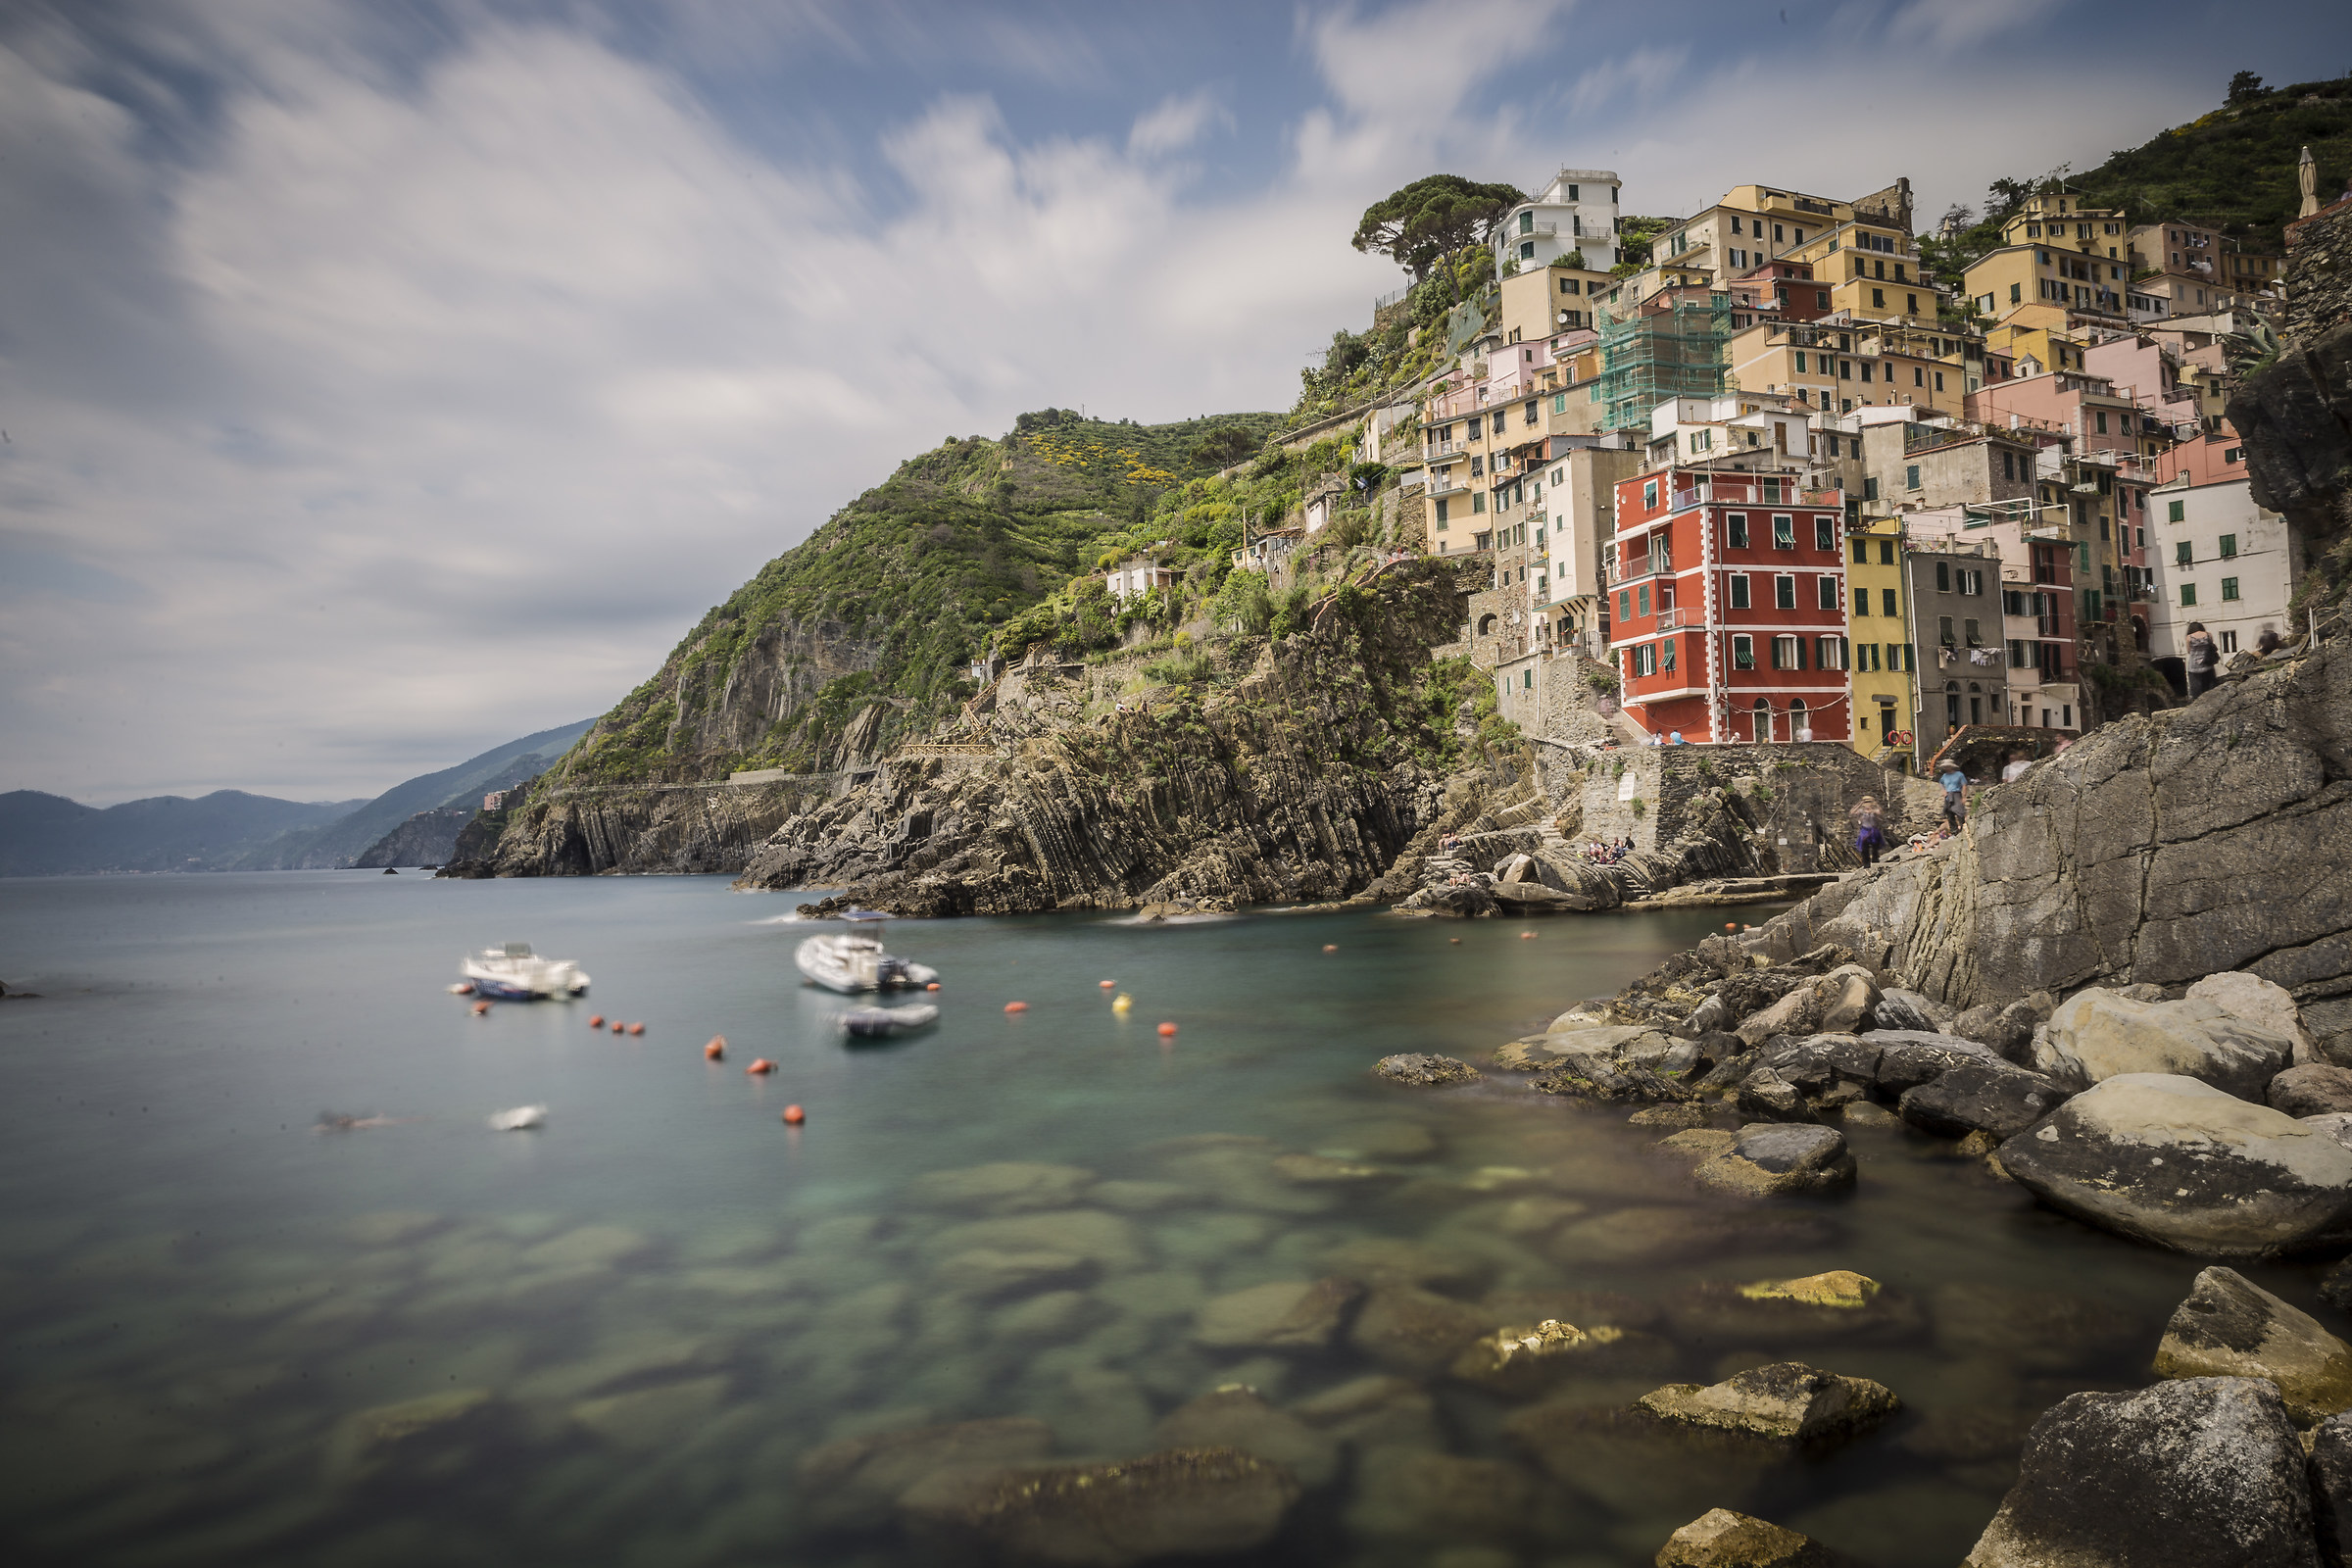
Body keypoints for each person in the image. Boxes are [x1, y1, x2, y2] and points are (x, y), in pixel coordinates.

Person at [1848, 794, 1886, 867]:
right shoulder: (1861, 811)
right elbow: (1852, 813)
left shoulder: (1874, 811)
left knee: (1875, 847)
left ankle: (1875, 860)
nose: (1867, 804)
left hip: (1873, 830)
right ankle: (1866, 863)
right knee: (1864, 848)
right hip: (1865, 830)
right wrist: (1859, 804)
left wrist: (1875, 804)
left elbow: (1880, 812)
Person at [2184, 621, 2219, 697]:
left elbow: (2189, 651)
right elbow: (2211, 647)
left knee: (2196, 689)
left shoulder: (2189, 637)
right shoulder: (2208, 635)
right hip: (2207, 663)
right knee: (2209, 686)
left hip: (2194, 666)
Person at [1937, 758, 1970, 830]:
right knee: (1949, 813)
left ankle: (1963, 828)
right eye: (1945, 767)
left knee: (1959, 812)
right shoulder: (1945, 776)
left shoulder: (1959, 775)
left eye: (1947, 766)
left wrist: (1964, 797)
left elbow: (1964, 785)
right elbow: (1941, 783)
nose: (1946, 768)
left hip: (1956, 794)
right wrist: (1944, 790)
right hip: (1948, 795)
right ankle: (1954, 830)